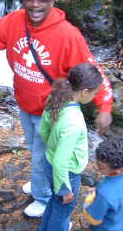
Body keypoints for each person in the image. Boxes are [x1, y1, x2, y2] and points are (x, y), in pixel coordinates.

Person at [0, 0, 113, 217]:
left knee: (43, 157)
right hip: (25, 102)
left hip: (52, 110)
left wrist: (104, 106)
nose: (35, 5)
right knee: (35, 150)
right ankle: (41, 183)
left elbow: (91, 70)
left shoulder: (67, 35)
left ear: (52, 1)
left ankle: (43, 197)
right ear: (23, 0)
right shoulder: (14, 20)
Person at [38, 62, 103, 231]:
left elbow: (43, 128)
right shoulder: (75, 122)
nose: (95, 96)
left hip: (48, 161)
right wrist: (65, 189)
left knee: (54, 201)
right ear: (85, 92)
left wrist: (51, 146)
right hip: (65, 174)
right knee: (63, 210)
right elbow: (61, 161)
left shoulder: (57, 97)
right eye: (95, 92)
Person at [83, 135, 123, 231]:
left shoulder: (105, 191)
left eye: (101, 167)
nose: (96, 166)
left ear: (120, 170)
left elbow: (93, 218)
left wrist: (90, 198)